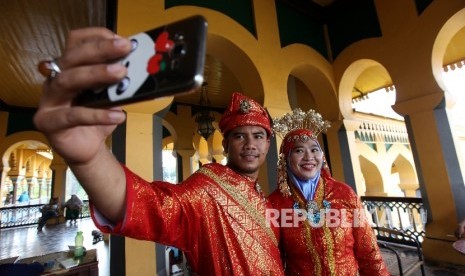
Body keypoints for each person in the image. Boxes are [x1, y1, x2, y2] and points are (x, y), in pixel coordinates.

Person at [33, 28, 284, 274]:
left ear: (268, 144)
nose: (250, 144)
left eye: (258, 136)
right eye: (239, 136)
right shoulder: (208, 189)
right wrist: (89, 159)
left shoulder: (266, 199)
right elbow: (153, 207)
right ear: (227, 144)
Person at [268, 108, 389, 275]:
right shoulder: (275, 204)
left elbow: (369, 252)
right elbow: (274, 263)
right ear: (286, 159)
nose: (309, 157)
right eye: (298, 150)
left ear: (322, 155)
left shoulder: (344, 194)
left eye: (314, 149)